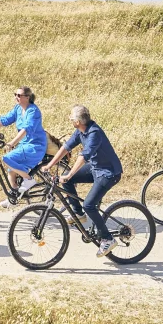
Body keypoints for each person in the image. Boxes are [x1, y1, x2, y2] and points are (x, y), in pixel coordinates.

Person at [46, 105, 122, 258]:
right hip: (95, 168)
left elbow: (83, 157)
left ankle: (108, 239)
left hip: (108, 173)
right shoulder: (80, 131)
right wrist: (49, 165)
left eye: (72, 118)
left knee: (89, 204)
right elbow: (65, 148)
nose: (69, 119)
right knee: (67, 181)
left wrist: (69, 174)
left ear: (78, 121)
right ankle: (78, 214)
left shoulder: (94, 133)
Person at [0, 86, 48, 208]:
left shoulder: (33, 111)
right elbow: (5, 120)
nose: (16, 97)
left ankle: (29, 179)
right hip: (24, 145)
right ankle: (14, 198)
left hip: (35, 146)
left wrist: (12, 143)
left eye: (19, 95)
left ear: (27, 97)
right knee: (11, 170)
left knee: (7, 158)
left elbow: (26, 130)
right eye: (15, 95)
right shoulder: (18, 109)